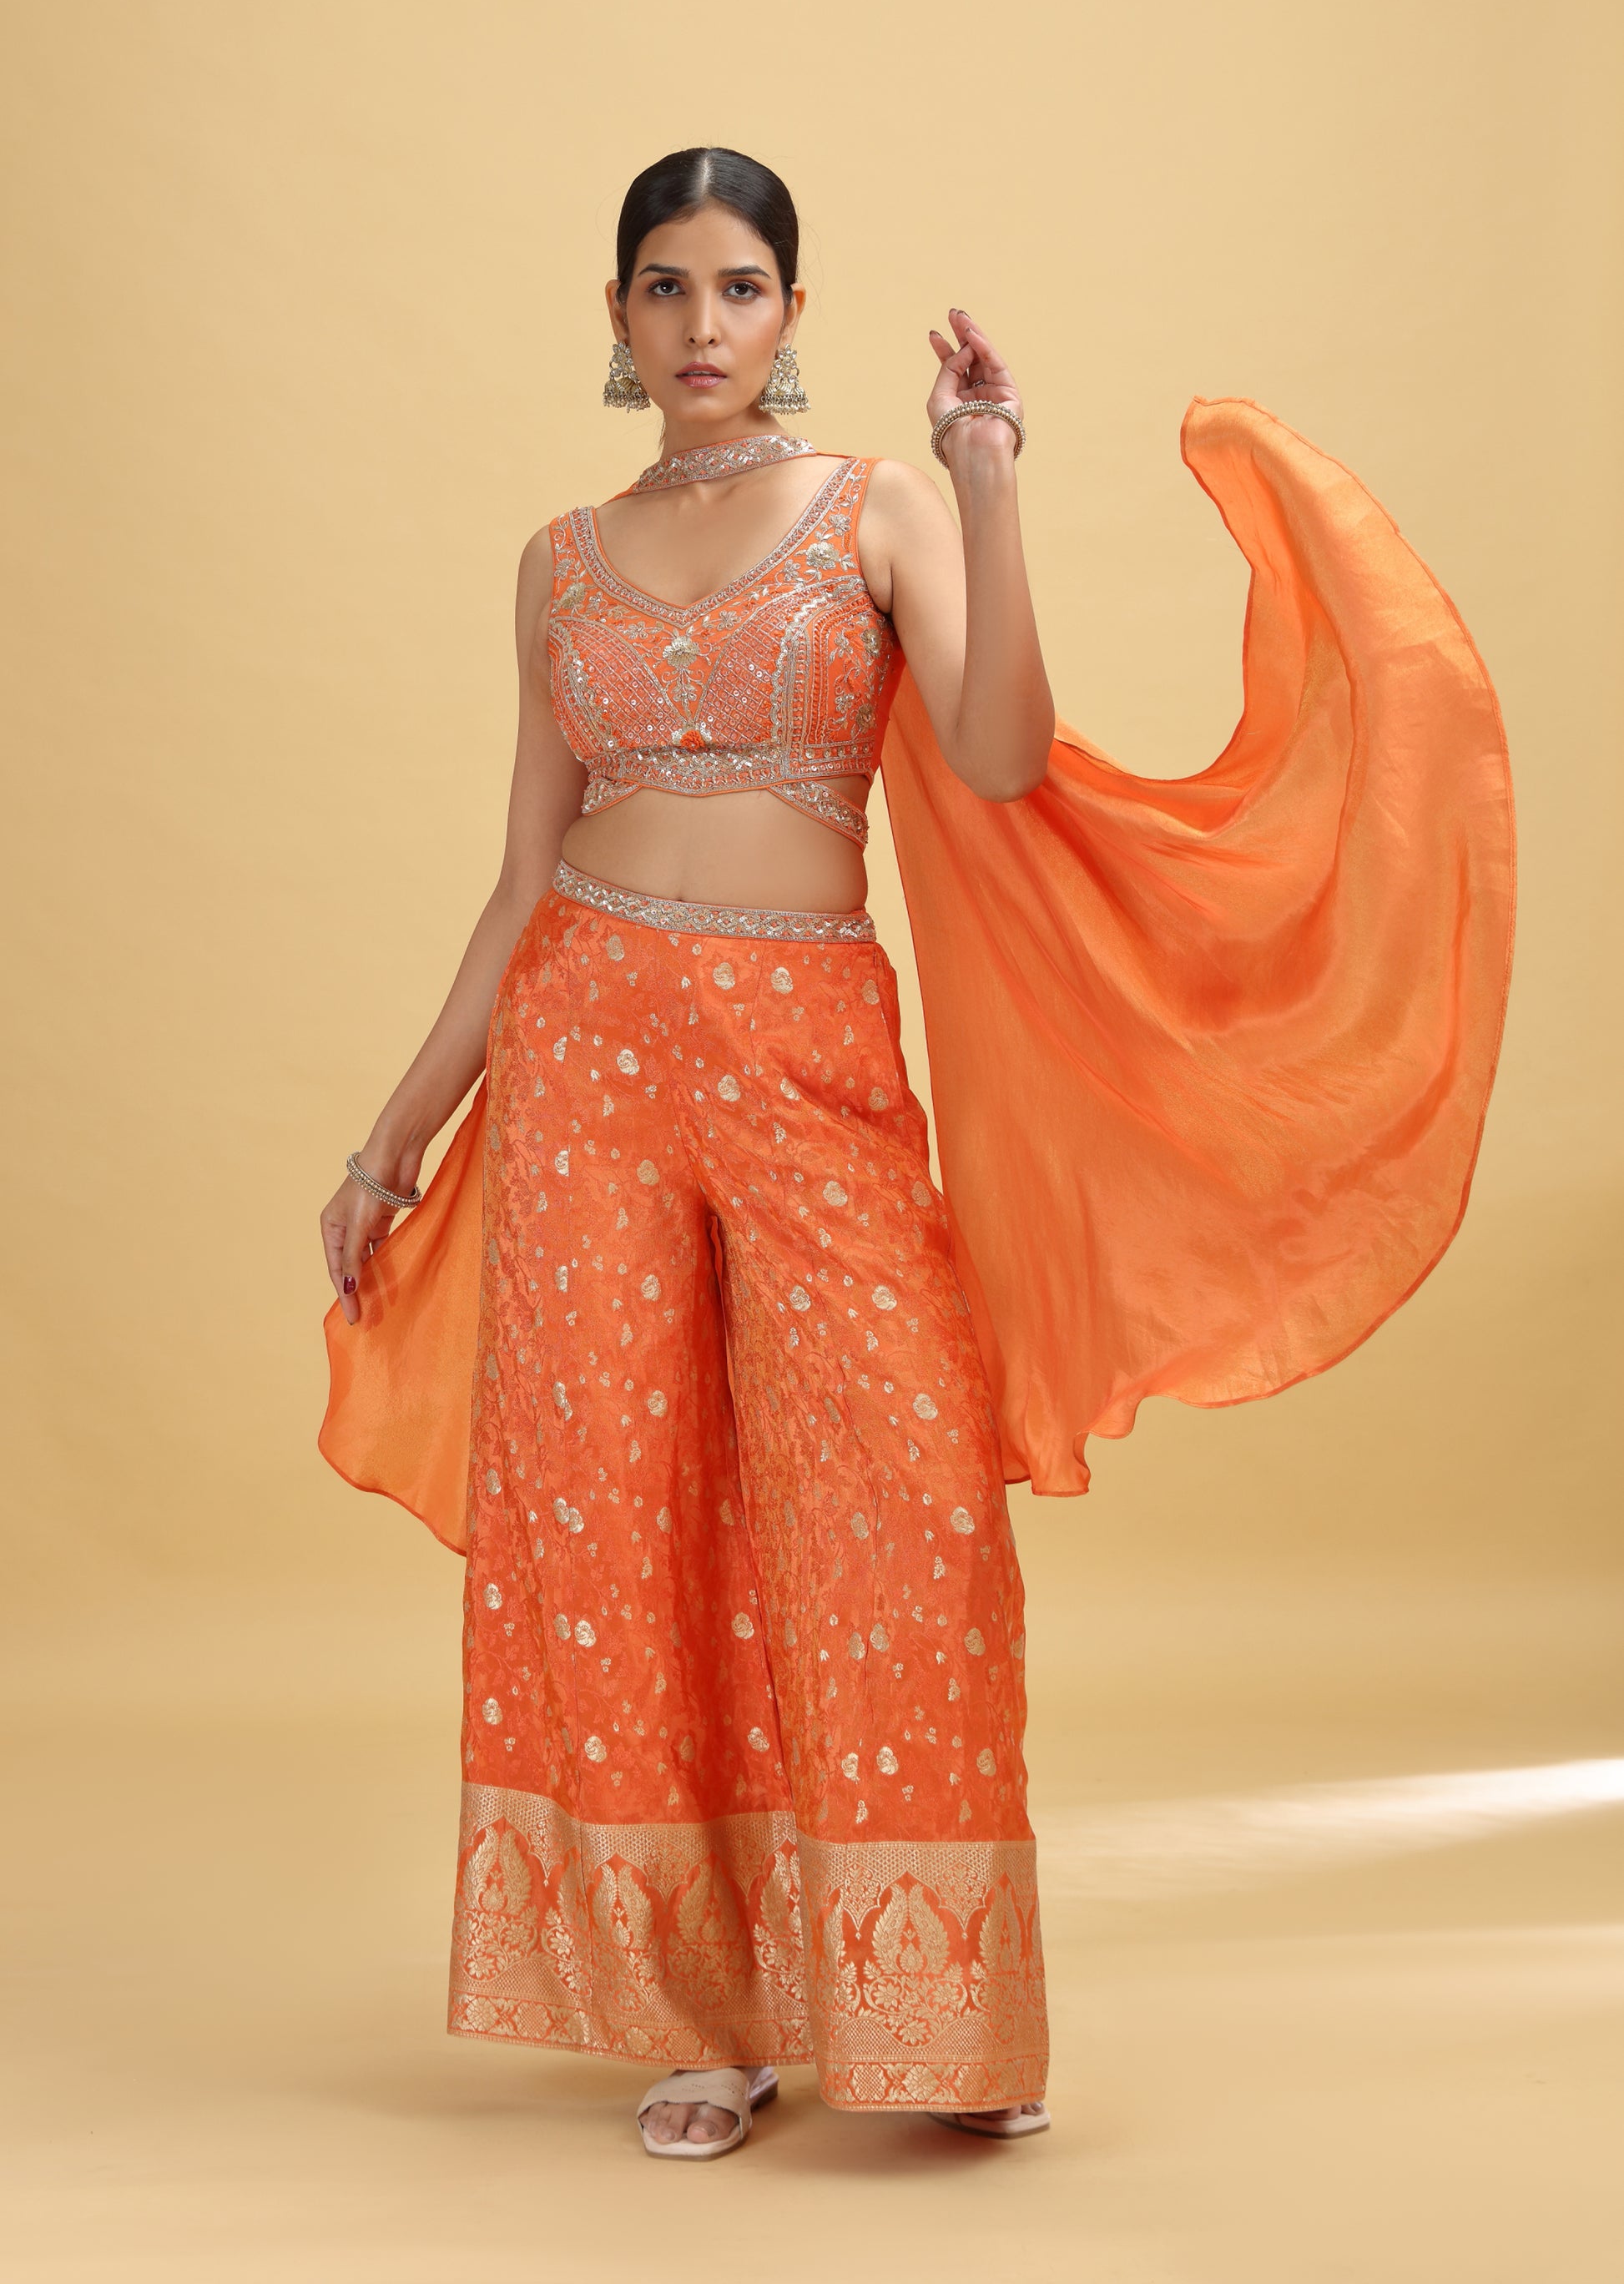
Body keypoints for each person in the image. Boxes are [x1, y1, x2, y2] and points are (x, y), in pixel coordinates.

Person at [319, 147, 1516, 2161]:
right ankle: (702, 2018)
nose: (704, 326)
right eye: (665, 288)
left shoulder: (870, 504)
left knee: (894, 1503)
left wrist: (986, 475)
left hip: (804, 1046)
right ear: (615, 319)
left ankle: (938, 2006)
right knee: (622, 1524)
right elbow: (520, 876)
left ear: (794, 313)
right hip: (588, 1048)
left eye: (743, 288)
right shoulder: (554, 558)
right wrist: (392, 1136)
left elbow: (997, 751)